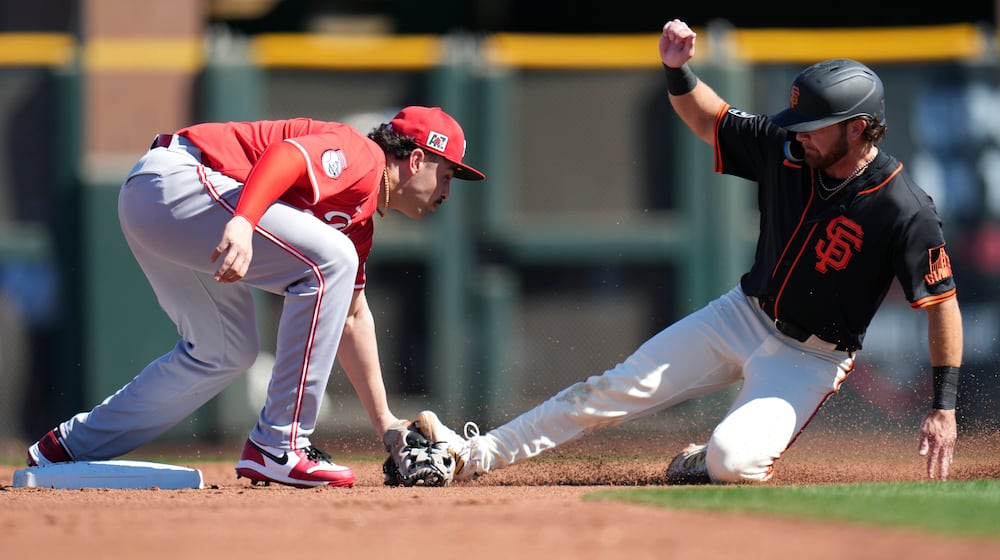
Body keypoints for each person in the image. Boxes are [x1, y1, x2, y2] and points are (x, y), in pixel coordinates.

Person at [411, 19, 963, 485]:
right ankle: (472, 455)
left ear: (859, 129)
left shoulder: (905, 208)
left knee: (733, 462)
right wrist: (678, 70)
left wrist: (943, 407)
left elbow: (942, 306)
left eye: (815, 127)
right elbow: (710, 117)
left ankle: (700, 462)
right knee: (612, 389)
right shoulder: (788, 148)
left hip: (811, 356)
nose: (801, 135)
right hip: (744, 314)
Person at [25, 106, 486, 488]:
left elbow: (350, 316)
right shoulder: (363, 158)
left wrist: (385, 422)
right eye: (447, 175)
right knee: (333, 259)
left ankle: (70, 446)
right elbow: (286, 156)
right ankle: (279, 443)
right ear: (417, 160)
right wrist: (244, 222)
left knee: (226, 349)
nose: (447, 191)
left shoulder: (359, 223)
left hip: (164, 206)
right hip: (180, 180)